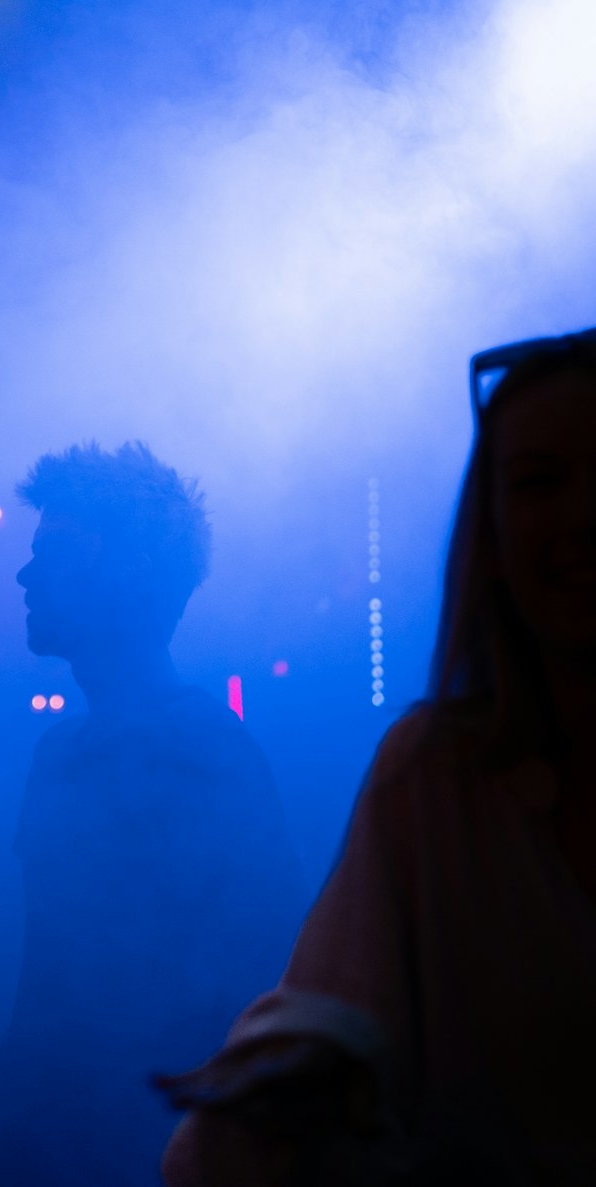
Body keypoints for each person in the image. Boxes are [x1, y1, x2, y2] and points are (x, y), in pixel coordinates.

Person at [160, 328, 596, 1186]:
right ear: (492, 534)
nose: (583, 514)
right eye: (540, 481)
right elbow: (334, 1002)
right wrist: (289, 1073)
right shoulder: (436, 779)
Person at [0, 441, 306, 1187]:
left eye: (53, 550)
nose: (26, 572)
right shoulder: (60, 751)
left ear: (128, 569)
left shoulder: (210, 752)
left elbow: (260, 990)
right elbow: (44, 1002)